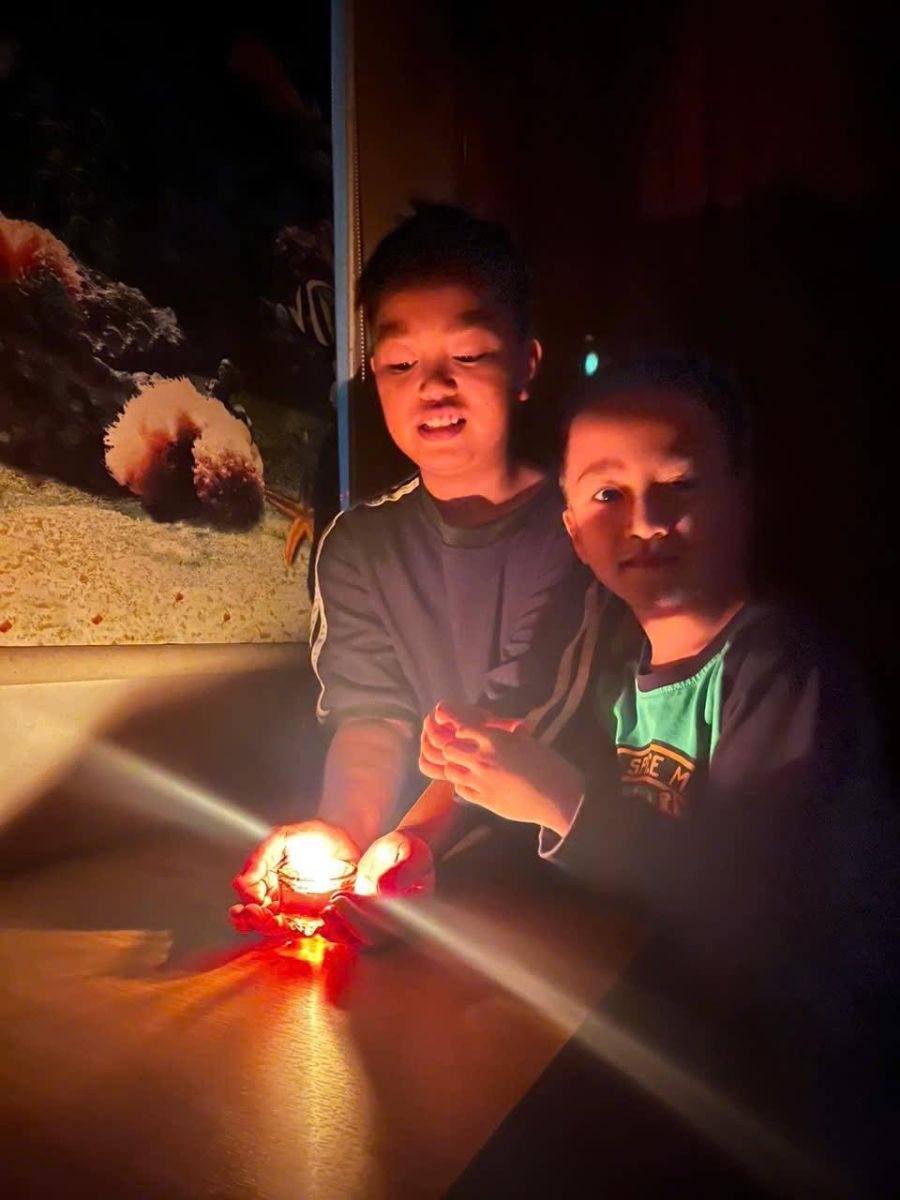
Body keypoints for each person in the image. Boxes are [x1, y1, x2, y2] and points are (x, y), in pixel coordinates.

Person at [428, 355, 896, 1191]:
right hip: (681, 1064)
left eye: (680, 484)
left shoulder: (779, 668)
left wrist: (563, 801)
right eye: (608, 494)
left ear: (744, 500)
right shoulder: (619, 677)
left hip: (791, 1109)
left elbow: (742, 917)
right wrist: (484, 766)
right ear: (574, 532)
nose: (646, 520)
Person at [230, 204, 601, 937]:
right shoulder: (357, 544)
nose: (433, 385)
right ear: (375, 376)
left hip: (562, 886)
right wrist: (342, 838)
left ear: (525, 364)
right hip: (426, 890)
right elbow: (372, 715)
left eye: (469, 355)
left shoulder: (579, 528)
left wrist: (414, 841)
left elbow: (520, 714)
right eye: (402, 364)